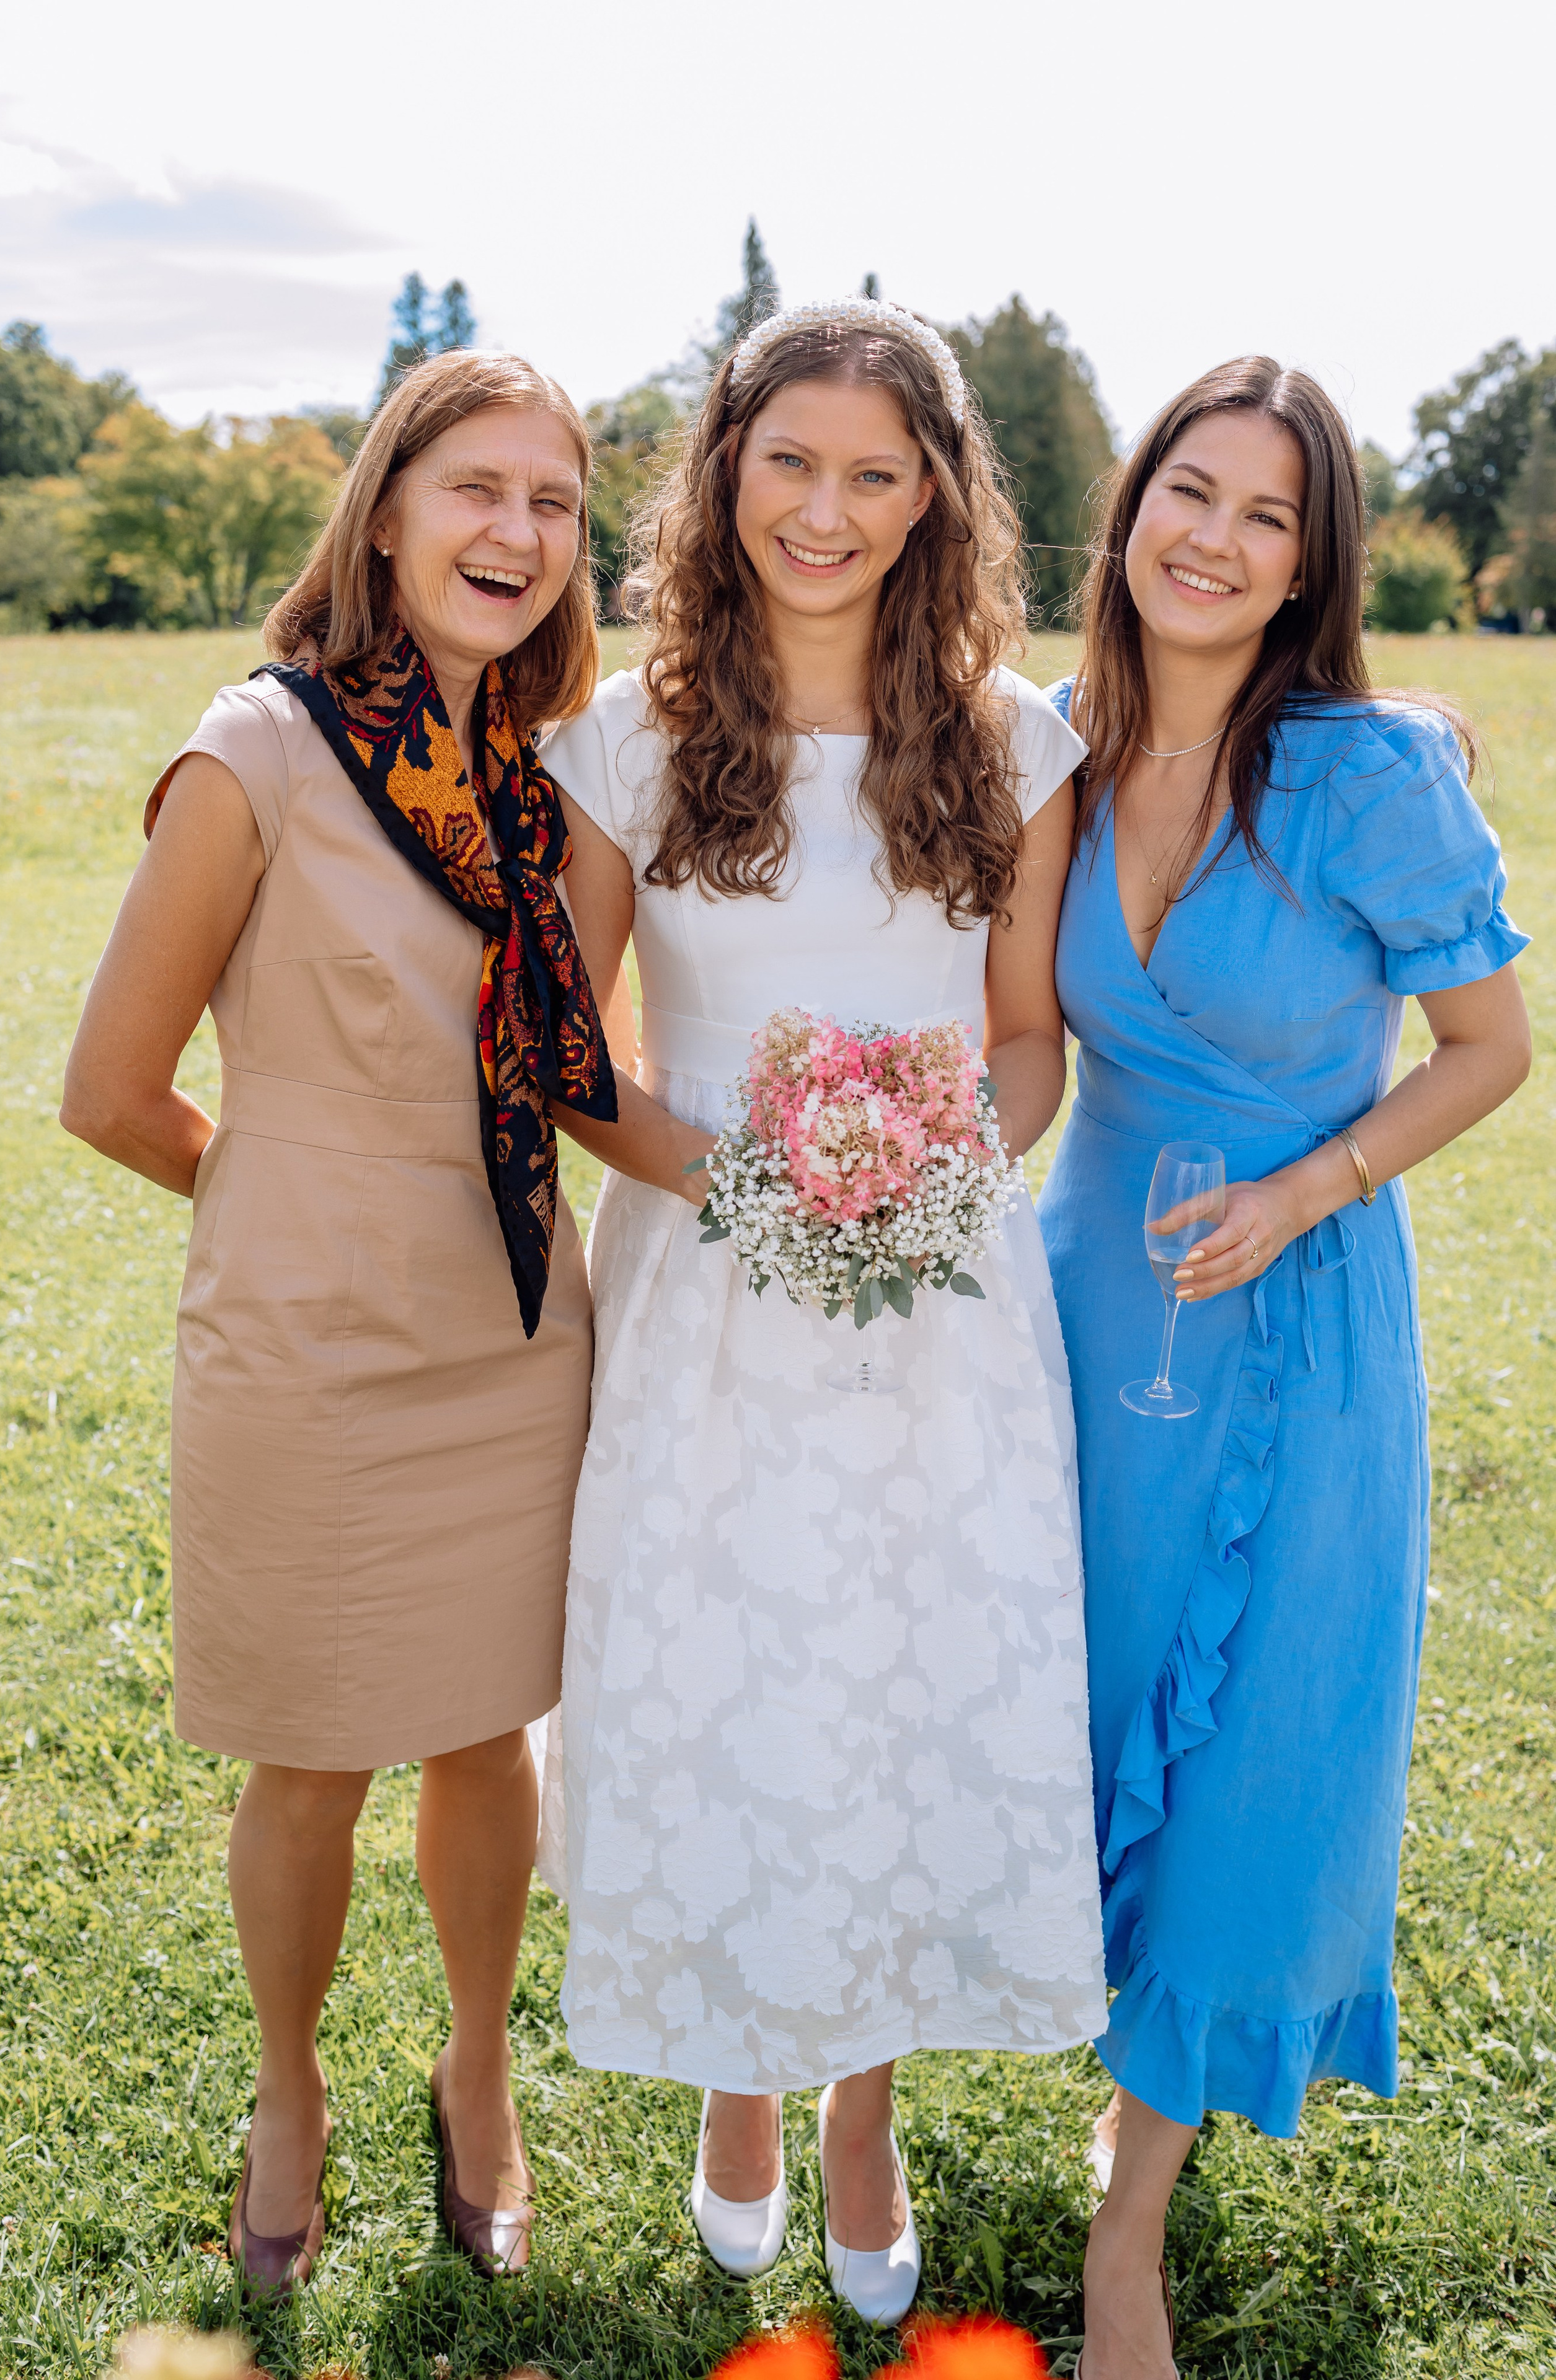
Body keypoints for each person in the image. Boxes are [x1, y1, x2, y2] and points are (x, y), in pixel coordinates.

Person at [540, 298, 1107, 2329]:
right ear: (725, 467)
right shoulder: (625, 732)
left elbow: (1029, 1043)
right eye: (792, 463)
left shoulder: (1019, 736)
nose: (828, 509)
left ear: (940, 495)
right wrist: (760, 1180)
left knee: (897, 1692)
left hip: (942, 1309)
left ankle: (861, 2117)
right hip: (707, 1294)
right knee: (731, 1688)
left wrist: (944, 1163)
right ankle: (738, 2095)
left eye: (879, 472)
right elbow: (563, 1050)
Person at [60, 349, 622, 2298]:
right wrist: (299, 1204)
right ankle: (288, 2088)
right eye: (478, 488)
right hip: (303, 1340)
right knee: (306, 1752)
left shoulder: (544, 784)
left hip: (519, 1327)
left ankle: (480, 2068)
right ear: (384, 511)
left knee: (485, 1730)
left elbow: (593, 1066)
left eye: (554, 503)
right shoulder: (259, 752)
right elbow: (113, 1087)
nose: (517, 533)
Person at [1035, 356, 1532, 2379]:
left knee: (1253, 1751)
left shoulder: (1369, 776)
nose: (1215, 541)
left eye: (1268, 516)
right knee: (1057, 1693)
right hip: (1078, 1303)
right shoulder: (1052, 744)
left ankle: (1126, 2227)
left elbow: (1495, 1050)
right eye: (1189, 490)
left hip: (1299, 1321)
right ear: (1132, 503)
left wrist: (1309, 1188)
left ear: (1310, 564)